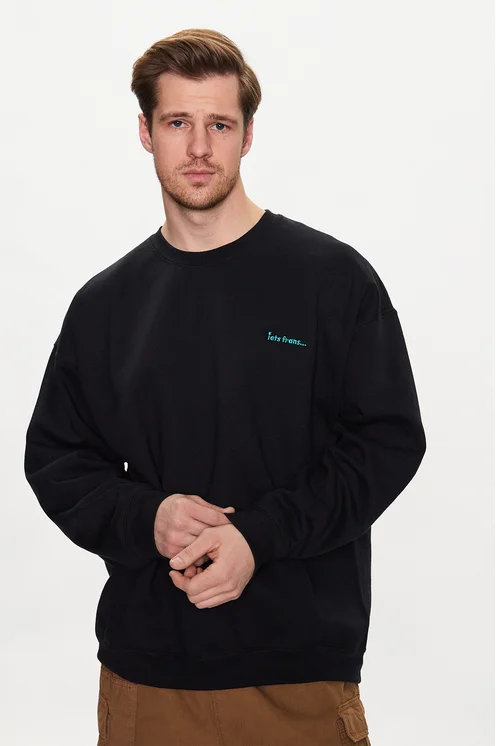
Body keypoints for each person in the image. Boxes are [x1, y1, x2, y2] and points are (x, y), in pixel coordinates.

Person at [24, 27, 426, 746]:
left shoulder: (331, 280)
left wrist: (259, 538)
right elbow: (57, 457)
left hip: (298, 676)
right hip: (147, 679)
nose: (199, 148)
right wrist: (148, 516)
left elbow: (388, 442)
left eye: (219, 124)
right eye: (178, 122)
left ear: (248, 136)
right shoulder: (105, 305)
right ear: (146, 133)